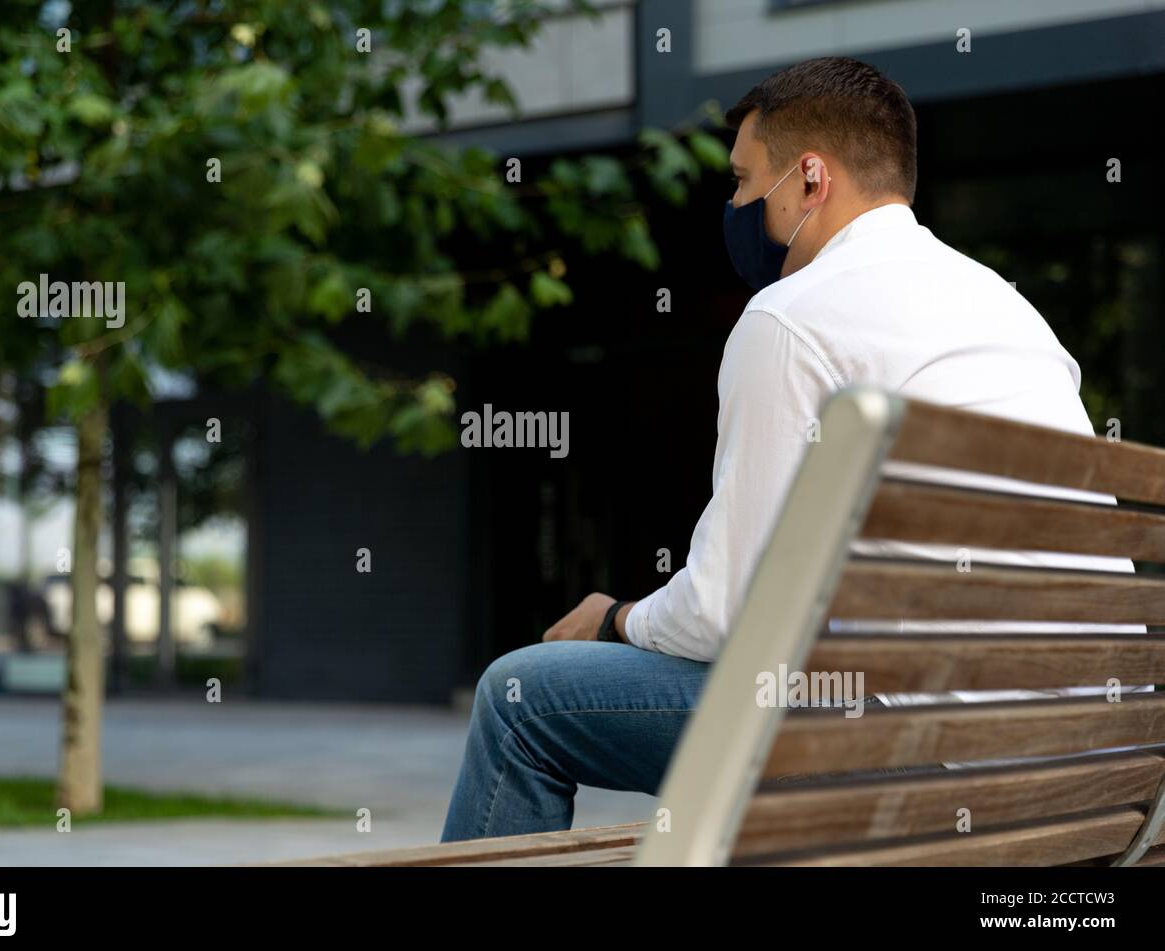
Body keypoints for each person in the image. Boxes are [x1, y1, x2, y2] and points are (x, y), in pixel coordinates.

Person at [439, 55, 1135, 843]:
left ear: (810, 178)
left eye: (741, 181)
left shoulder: (790, 316)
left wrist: (614, 618)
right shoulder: (1008, 311)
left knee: (518, 697)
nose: (733, 205)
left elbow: (725, 611)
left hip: (927, 757)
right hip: (1091, 754)